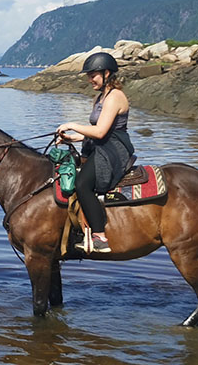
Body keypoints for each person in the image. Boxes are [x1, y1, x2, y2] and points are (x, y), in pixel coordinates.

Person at [55, 52, 134, 254]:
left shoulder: (115, 97)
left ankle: (100, 237)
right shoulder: (99, 97)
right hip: (100, 145)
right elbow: (96, 132)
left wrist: (73, 124)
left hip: (114, 149)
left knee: (82, 184)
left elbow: (100, 131)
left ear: (107, 73)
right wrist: (72, 138)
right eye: (88, 75)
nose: (90, 79)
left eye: (93, 75)